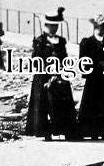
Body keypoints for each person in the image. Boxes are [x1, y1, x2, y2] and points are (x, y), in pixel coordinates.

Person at [25, 8, 80, 140]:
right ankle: (45, 132)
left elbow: (64, 57)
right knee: (44, 103)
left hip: (59, 75)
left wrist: (61, 70)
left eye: (56, 26)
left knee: (63, 103)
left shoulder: (61, 41)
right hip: (43, 76)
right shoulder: (40, 41)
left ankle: (66, 130)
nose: (54, 28)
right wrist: (49, 71)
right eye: (51, 26)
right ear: (46, 25)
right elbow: (36, 60)